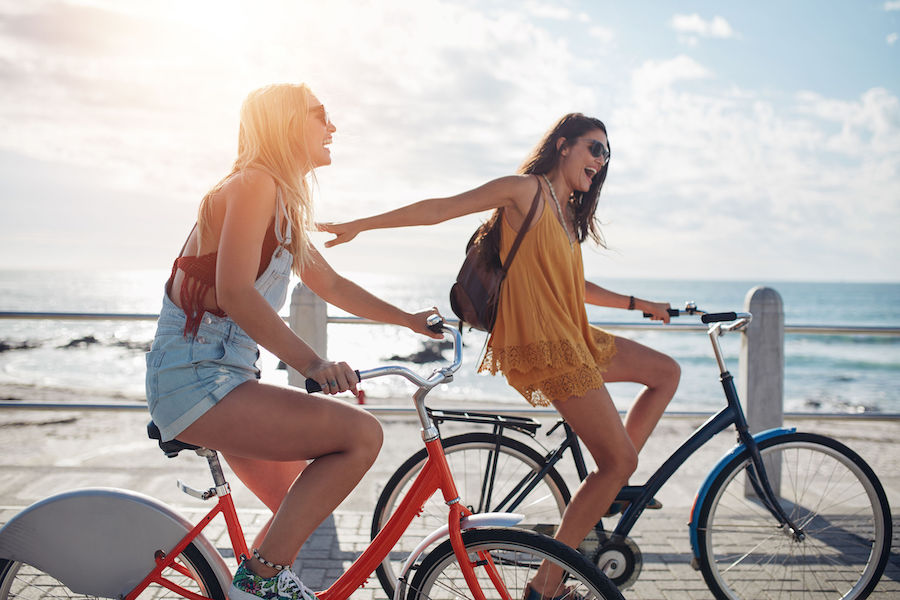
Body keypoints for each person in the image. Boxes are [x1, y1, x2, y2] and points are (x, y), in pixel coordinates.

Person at [320, 113, 681, 599]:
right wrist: (361, 225)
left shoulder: (569, 212)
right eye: (595, 148)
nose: (602, 160)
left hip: (577, 337)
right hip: (547, 347)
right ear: (563, 145)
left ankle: (610, 485)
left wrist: (640, 305)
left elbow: (577, 285)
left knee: (665, 372)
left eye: (607, 154)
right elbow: (442, 209)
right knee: (617, 461)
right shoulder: (524, 191)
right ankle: (547, 583)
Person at [145, 83, 441, 600]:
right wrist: (314, 363)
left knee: (294, 517)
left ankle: (253, 586)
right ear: (286, 124)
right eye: (321, 115)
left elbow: (332, 285)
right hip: (197, 379)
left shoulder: (281, 202)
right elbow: (236, 292)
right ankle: (260, 581)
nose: (333, 127)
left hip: (227, 378)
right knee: (362, 436)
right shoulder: (254, 184)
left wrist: (409, 320)